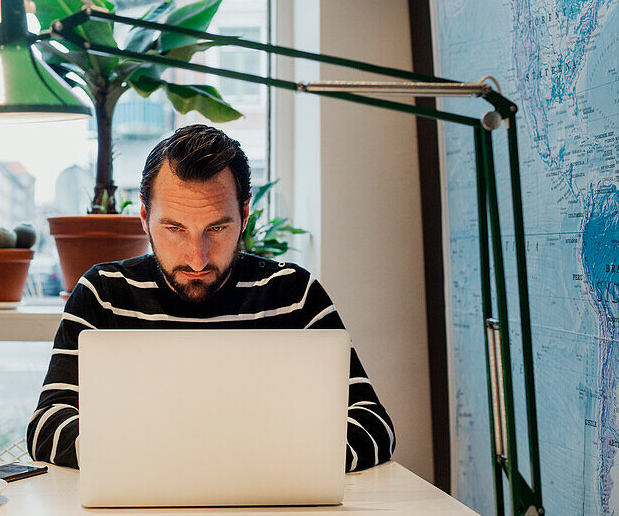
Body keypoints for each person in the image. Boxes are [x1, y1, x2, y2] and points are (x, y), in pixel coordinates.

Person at [27, 124, 395, 472]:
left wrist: (233, 464)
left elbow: (373, 422)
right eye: (174, 228)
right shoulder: (104, 293)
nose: (197, 258)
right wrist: (190, 460)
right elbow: (46, 426)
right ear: (143, 216)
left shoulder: (294, 293)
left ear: (245, 213)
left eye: (217, 228)